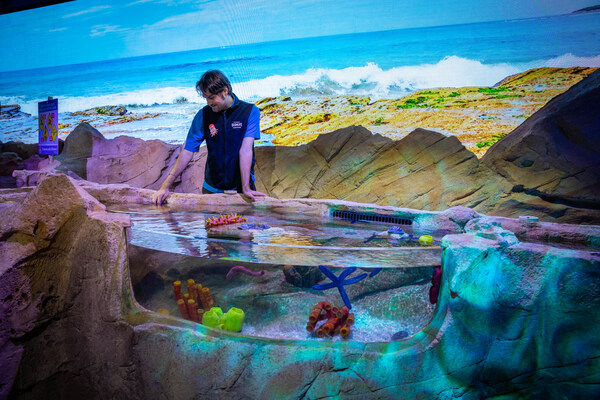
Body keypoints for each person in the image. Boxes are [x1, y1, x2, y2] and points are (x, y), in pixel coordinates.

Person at [152, 70, 266, 205]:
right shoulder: (203, 115)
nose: (208, 102)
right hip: (211, 190)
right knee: (213, 226)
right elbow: (188, 150)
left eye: (211, 97)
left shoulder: (249, 111)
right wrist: (165, 186)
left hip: (241, 191)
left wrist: (246, 188)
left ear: (225, 91)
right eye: (206, 98)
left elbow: (246, 150)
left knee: (246, 226)